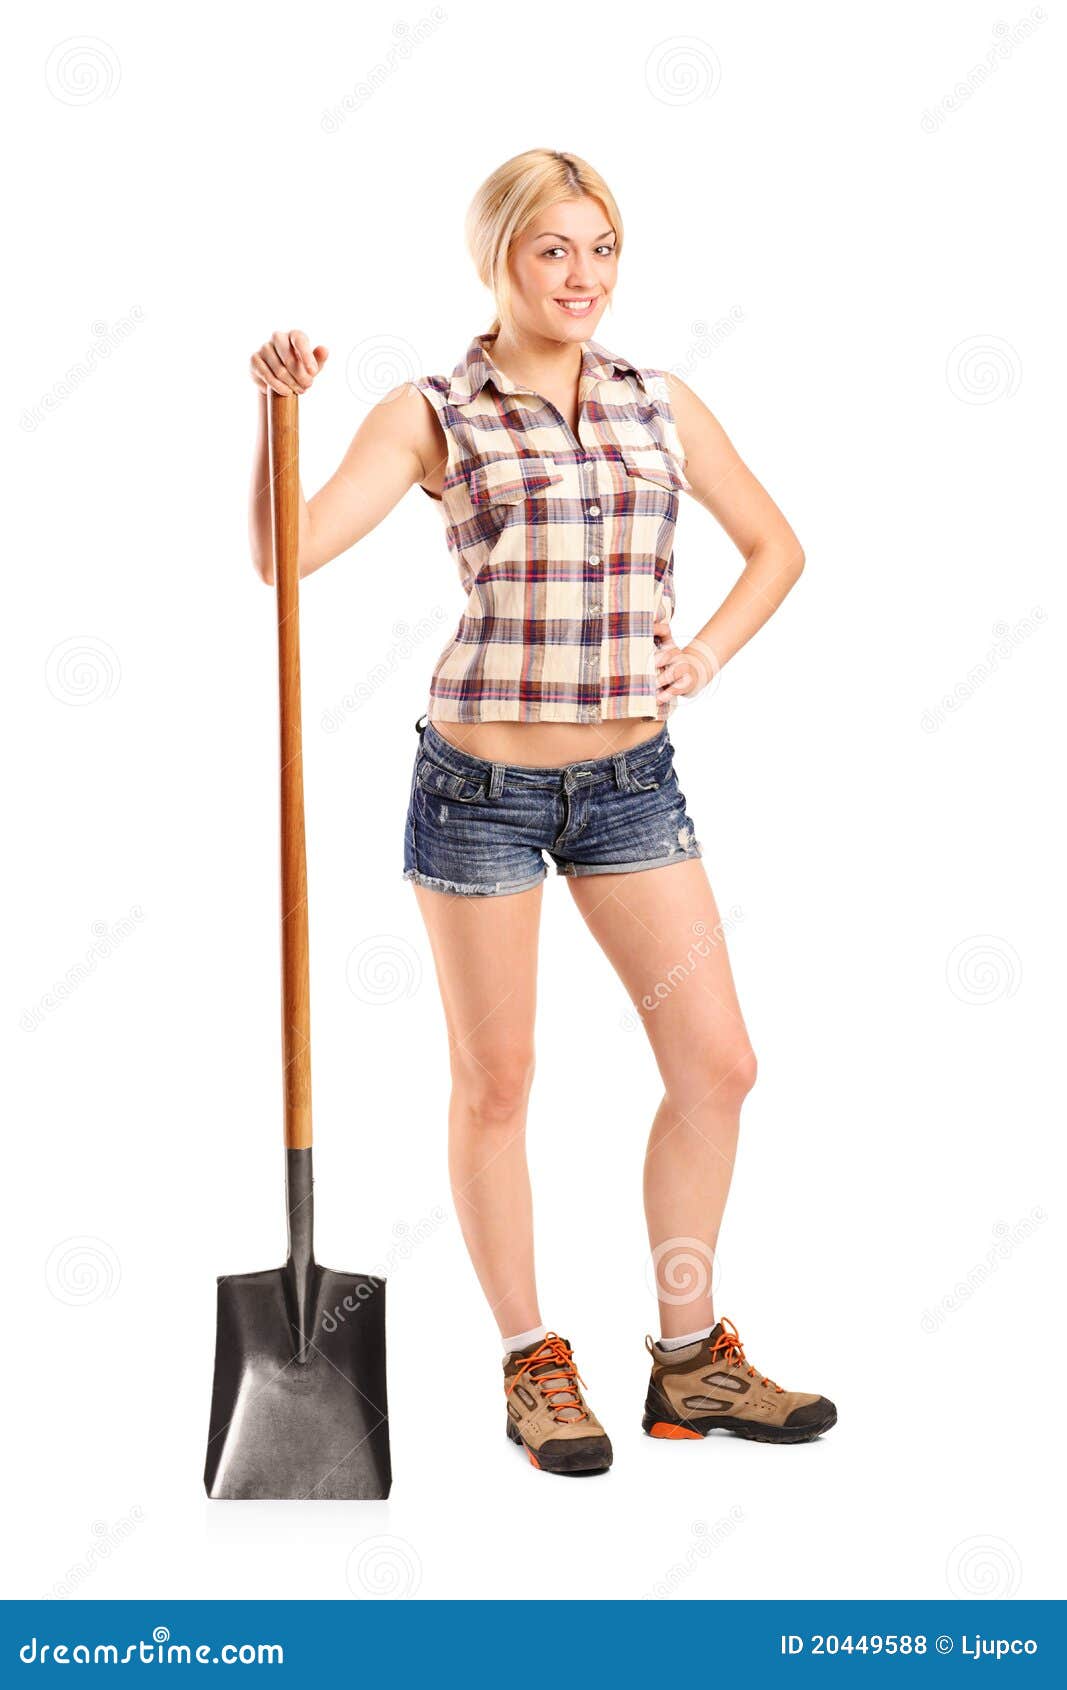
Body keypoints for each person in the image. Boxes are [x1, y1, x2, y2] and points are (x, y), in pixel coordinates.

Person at [248, 148, 836, 1477]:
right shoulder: (433, 410)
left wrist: (711, 652)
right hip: (481, 790)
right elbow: (282, 553)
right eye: (553, 249)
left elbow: (777, 544)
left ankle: (691, 1363)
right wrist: (272, 416)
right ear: (497, 259)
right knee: (497, 1081)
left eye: (603, 248)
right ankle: (533, 1361)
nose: (583, 276)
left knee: (720, 1064)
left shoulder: (659, 400)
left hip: (632, 783)